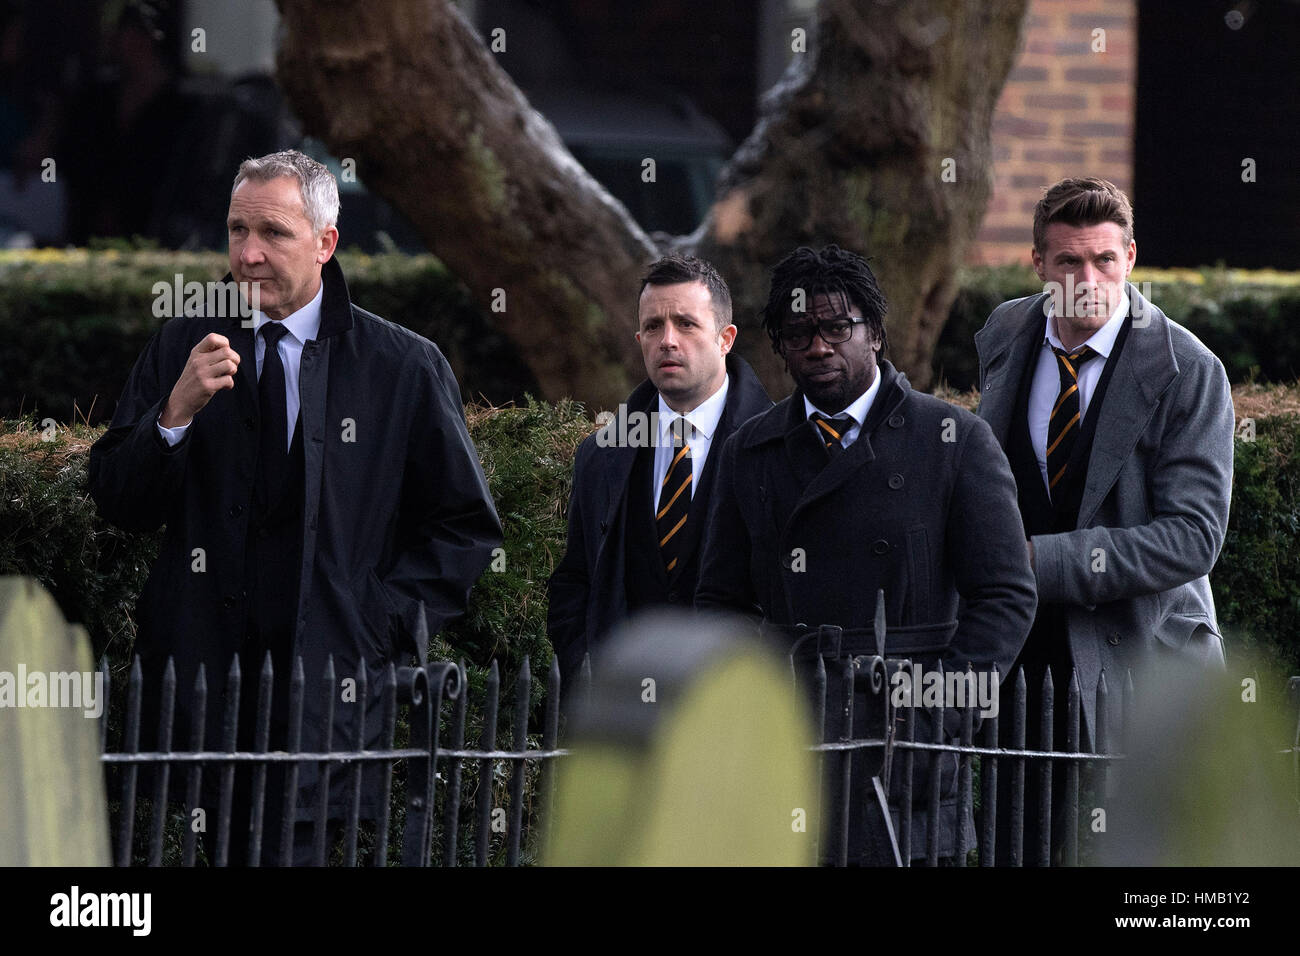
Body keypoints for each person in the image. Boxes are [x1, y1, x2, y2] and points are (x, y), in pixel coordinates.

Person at [88, 149, 502, 864]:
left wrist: (380, 624)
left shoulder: (401, 366)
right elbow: (119, 499)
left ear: (326, 242)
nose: (248, 254)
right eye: (236, 230)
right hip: (203, 699)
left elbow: (465, 531)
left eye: (273, 233)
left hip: (327, 703)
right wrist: (175, 414)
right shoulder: (183, 342)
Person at [695, 245, 1036, 864]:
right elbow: (721, 602)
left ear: (874, 333)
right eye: (798, 333)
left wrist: (937, 720)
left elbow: (1006, 598)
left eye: (836, 328)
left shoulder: (952, 439)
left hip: (908, 731)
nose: (818, 346)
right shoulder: (751, 450)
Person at [974, 177, 1235, 865]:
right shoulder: (1006, 332)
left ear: (1131, 257)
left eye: (1104, 260)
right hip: (1018, 664)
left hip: (1139, 664)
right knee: (1016, 847)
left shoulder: (1188, 370)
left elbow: (1194, 538)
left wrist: (1040, 562)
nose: (1087, 279)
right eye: (1067, 262)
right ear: (1037, 264)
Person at [547, 255, 771, 688]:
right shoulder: (601, 455)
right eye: (653, 327)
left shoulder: (778, 447)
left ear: (726, 339)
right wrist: (586, 674)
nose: (667, 340)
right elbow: (575, 581)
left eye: (686, 324)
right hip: (627, 714)